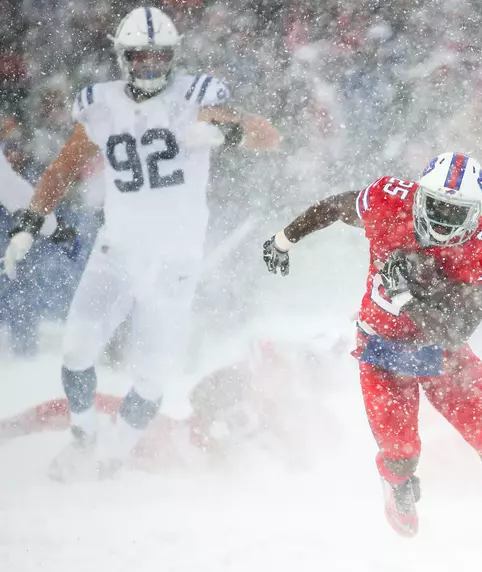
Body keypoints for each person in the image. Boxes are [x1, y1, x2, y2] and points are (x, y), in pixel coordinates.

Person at [1, 6, 280, 479]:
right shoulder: (100, 103)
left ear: (170, 58)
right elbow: (64, 168)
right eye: (139, 58)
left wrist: (224, 132)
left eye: (157, 58)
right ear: (122, 57)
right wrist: (29, 223)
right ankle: (84, 436)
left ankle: (115, 455)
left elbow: (267, 136)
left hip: (174, 260)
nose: (148, 67)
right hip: (118, 251)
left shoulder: (194, 96)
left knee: (151, 376)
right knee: (75, 349)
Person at [262, 152, 482, 538]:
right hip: (382, 351)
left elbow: (456, 331)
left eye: (455, 212)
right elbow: (336, 207)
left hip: (443, 355)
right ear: (418, 195)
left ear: (475, 213)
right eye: (436, 206)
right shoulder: (388, 199)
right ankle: (397, 484)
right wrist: (284, 239)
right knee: (401, 459)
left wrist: (407, 299)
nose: (442, 219)